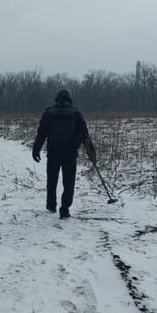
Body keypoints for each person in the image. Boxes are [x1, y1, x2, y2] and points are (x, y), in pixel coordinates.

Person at [31, 89, 97, 219]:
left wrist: (36, 150)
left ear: (57, 99)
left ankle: (51, 204)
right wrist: (92, 154)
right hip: (70, 152)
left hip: (53, 151)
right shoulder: (76, 114)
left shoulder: (48, 113)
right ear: (70, 99)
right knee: (69, 182)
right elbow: (85, 135)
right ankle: (65, 209)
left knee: (52, 180)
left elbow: (41, 133)